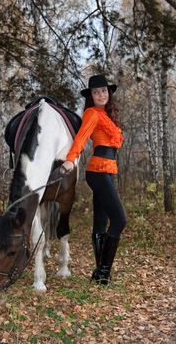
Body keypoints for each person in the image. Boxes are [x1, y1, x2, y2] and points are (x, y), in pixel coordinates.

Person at [62, 74, 127, 285]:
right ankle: (103, 272)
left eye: (104, 91)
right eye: (96, 92)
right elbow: (81, 138)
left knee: (101, 222)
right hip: (97, 170)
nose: (101, 94)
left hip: (109, 170)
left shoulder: (108, 116)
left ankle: (99, 274)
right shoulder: (91, 113)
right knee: (119, 220)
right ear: (91, 96)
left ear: (108, 93)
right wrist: (71, 159)